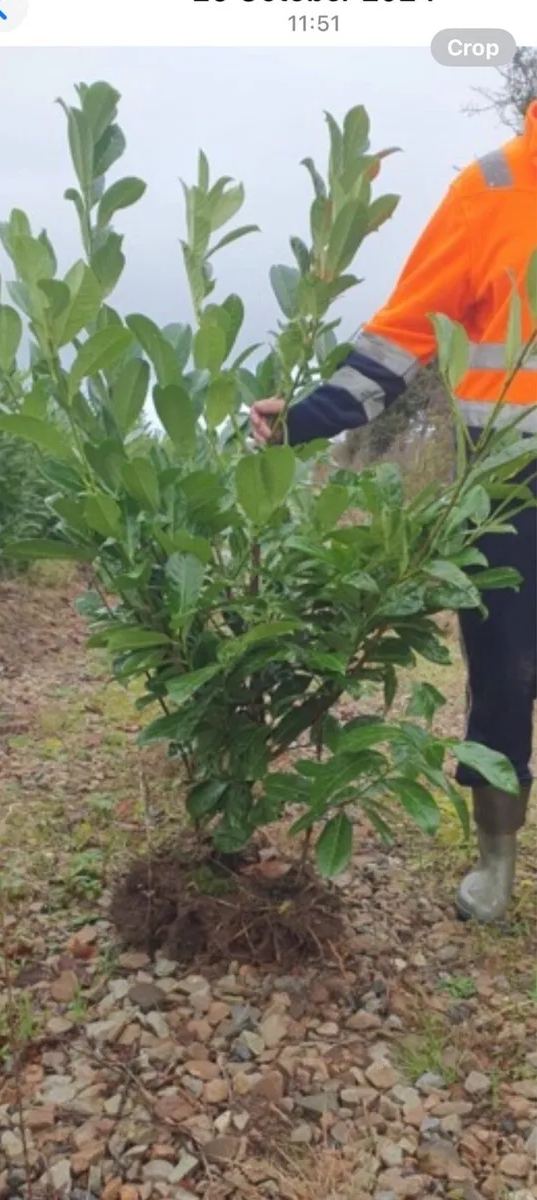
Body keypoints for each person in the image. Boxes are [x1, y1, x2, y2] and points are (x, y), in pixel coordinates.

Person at [250, 100, 537, 925]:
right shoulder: (491, 188)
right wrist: (303, 415)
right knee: (507, 671)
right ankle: (497, 855)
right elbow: (405, 332)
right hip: (505, 487)